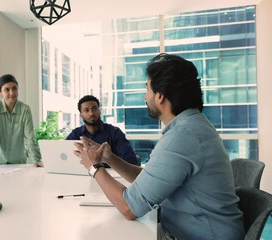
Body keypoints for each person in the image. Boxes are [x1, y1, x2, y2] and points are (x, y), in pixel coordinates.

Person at [74, 53, 245, 239]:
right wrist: (109, 157)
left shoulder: (182, 137)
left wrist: (93, 167)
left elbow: (129, 208)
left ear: (160, 96)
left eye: (147, 88)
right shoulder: (192, 126)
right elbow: (149, 180)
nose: (145, 96)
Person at [0, 74, 43, 169]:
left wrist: (37, 160)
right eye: (7, 89)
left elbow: (30, 138)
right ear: (0, 91)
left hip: (18, 163)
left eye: (14, 88)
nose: (12, 93)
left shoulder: (25, 109)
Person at [66, 95, 139, 166]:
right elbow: (65, 156)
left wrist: (101, 160)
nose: (91, 113)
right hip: (84, 175)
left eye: (94, 109)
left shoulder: (114, 132)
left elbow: (131, 160)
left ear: (99, 111)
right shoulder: (76, 134)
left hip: (111, 175)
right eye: (86, 110)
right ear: (81, 115)